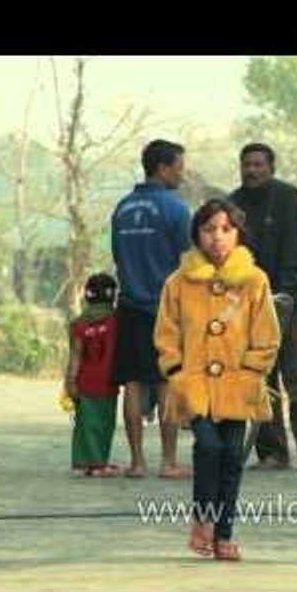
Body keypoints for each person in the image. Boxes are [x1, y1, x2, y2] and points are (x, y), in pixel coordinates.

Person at [155, 199, 281, 561]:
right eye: (209, 229)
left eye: (226, 229)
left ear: (238, 234)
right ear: (197, 234)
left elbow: (267, 334)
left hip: (238, 385)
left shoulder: (254, 280)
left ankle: (224, 535)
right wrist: (176, 372)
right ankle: (203, 519)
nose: (217, 237)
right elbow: (166, 333)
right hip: (194, 386)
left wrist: (253, 371)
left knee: (232, 457)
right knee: (208, 446)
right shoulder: (178, 283)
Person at [229, 142, 297, 471]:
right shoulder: (233, 204)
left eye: (258, 164)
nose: (252, 170)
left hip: (292, 302)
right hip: (250, 306)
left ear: (271, 168)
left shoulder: (288, 197)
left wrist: (285, 296)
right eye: (247, 164)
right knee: (261, 379)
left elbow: (294, 249)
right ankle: (272, 452)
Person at [111, 139, 191, 479]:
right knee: (166, 382)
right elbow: (187, 261)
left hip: (129, 306)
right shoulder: (176, 209)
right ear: (162, 168)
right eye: (179, 168)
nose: (181, 175)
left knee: (132, 383)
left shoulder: (122, 208)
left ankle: (137, 462)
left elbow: (118, 256)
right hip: (165, 308)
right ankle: (168, 462)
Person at [63, 272, 122, 477]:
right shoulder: (117, 320)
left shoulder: (79, 324)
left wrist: (70, 382)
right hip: (107, 382)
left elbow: (75, 356)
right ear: (112, 296)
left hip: (83, 383)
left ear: (87, 296)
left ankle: (81, 463)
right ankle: (98, 465)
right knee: (103, 424)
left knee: (84, 424)